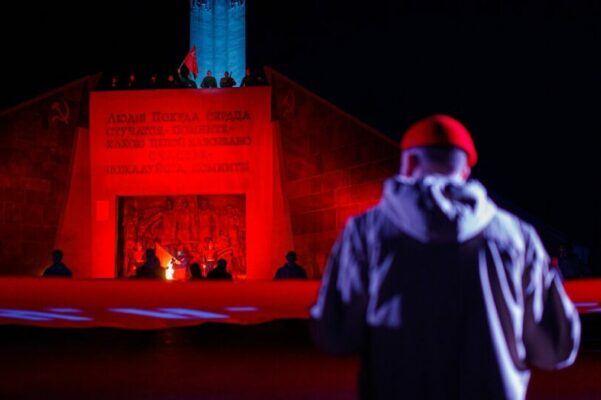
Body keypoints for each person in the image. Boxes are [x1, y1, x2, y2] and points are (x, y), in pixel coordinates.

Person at [311, 114, 580, 400]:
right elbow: (555, 348)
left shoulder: (365, 231)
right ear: (464, 170)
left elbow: (337, 336)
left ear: (409, 163)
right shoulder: (517, 236)